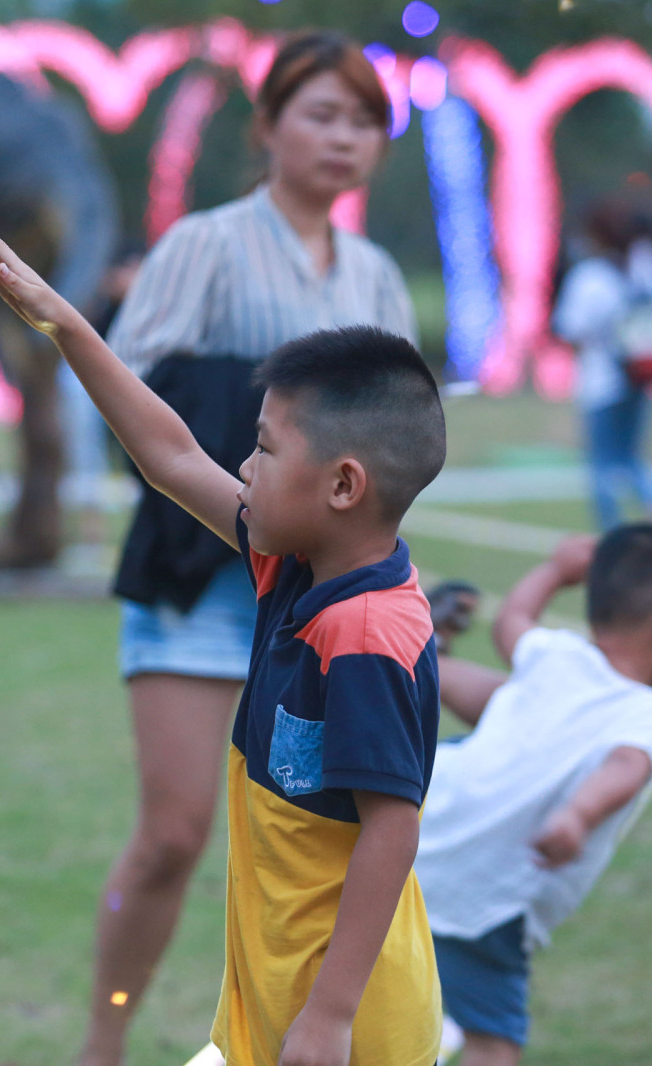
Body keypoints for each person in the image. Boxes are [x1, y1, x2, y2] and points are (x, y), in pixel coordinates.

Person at [0, 211, 446, 1066]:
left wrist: (331, 1017)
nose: (245, 468)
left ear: (343, 485)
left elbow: (392, 830)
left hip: (347, 1027)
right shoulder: (298, 567)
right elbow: (169, 455)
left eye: (263, 449)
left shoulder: (366, 628)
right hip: (271, 1010)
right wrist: (62, 317)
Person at [79, 32, 421, 1066]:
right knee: (174, 835)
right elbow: (136, 402)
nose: (344, 138)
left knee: (319, 841)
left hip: (327, 603)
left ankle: (303, 1032)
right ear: (267, 125)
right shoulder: (205, 243)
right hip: (201, 575)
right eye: (321, 114)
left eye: (364, 121)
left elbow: (393, 458)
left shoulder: (376, 274)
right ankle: (105, 1039)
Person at [416, 526, 652, 1066]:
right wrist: (577, 816)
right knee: (492, 1041)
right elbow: (624, 767)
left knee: (513, 701)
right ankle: (423, 658)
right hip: (489, 897)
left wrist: (553, 572)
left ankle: (423, 658)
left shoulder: (553, 654)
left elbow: (511, 623)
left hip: (415, 839)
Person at [554, 201, 652, 531]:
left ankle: (612, 535)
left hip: (601, 381)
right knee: (633, 460)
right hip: (639, 378)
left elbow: (571, 331)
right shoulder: (642, 270)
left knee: (602, 465)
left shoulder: (590, 277)